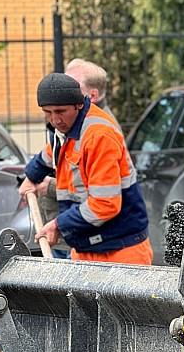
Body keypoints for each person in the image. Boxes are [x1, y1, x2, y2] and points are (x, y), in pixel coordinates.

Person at [19, 72, 152, 265]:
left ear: (79, 104)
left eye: (60, 111)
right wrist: (32, 176)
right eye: (48, 112)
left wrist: (58, 224)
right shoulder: (67, 128)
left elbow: (105, 204)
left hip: (120, 250)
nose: (54, 120)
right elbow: (52, 151)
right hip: (87, 246)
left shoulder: (99, 136)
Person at [37, 59, 118, 257]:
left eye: (74, 84)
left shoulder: (100, 132)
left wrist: (49, 186)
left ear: (92, 95)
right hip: (63, 230)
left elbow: (93, 191)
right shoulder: (69, 125)